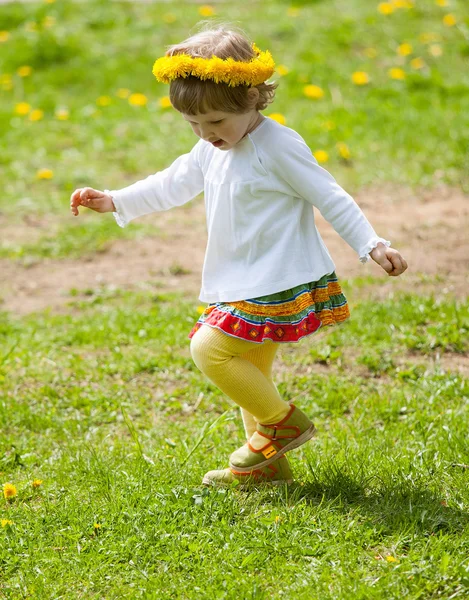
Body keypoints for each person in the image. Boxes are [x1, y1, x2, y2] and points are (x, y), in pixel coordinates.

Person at [70, 23, 408, 489]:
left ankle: (283, 423)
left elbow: (330, 195)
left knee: (208, 347)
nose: (206, 134)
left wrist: (372, 245)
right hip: (240, 276)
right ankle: (269, 471)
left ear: (252, 98)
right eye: (194, 125)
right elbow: (173, 182)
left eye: (215, 122)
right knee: (251, 369)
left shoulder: (278, 146)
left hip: (276, 276)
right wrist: (115, 200)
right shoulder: (212, 149)